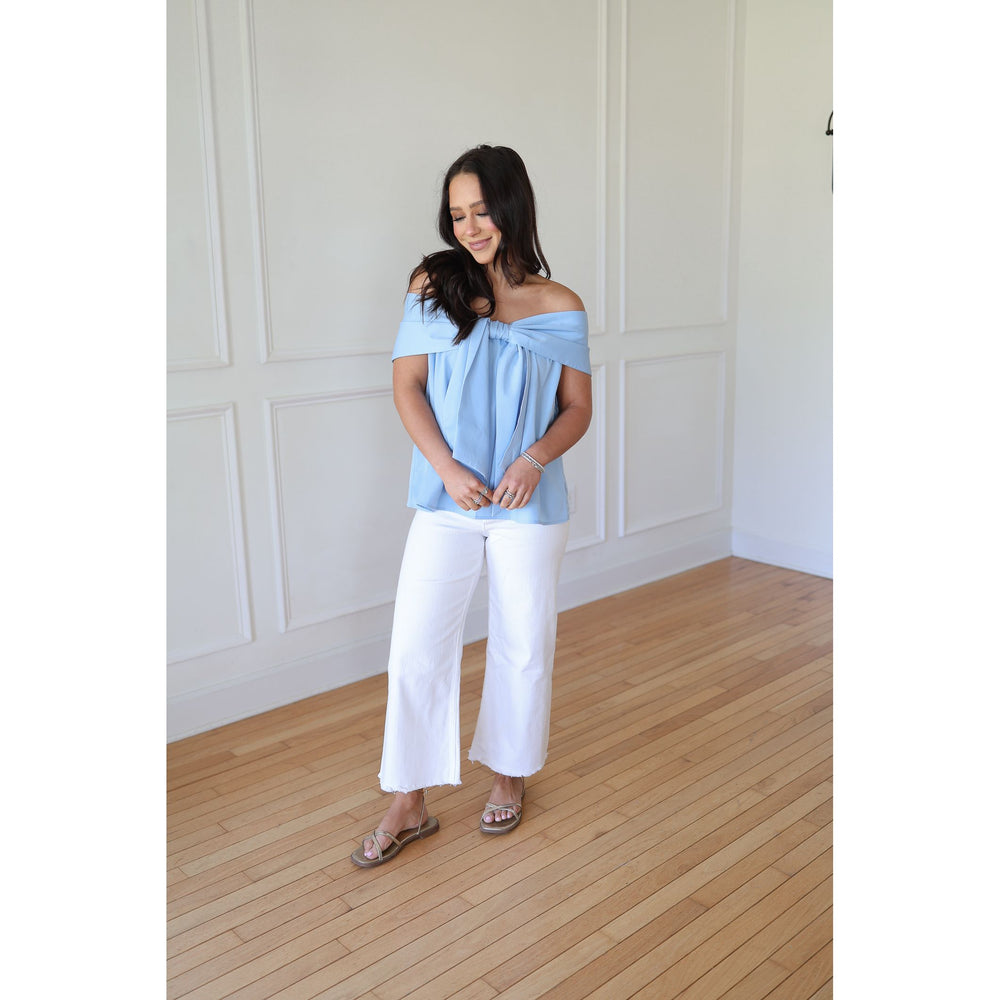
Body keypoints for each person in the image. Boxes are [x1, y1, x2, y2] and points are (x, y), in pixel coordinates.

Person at [351, 145, 592, 867]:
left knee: (524, 643)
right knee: (417, 646)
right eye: (457, 214)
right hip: (447, 500)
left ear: (512, 206)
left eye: (481, 210)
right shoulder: (434, 284)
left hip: (529, 504)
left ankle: (510, 775)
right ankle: (410, 798)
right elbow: (407, 387)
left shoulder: (559, 304)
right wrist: (447, 467)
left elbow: (577, 409)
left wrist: (533, 460)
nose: (469, 226)